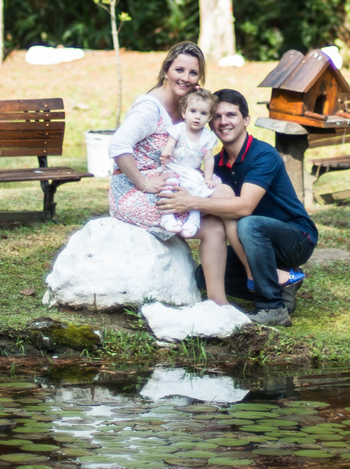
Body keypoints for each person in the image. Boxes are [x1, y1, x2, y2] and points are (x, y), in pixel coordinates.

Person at [157, 88, 318, 327]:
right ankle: (283, 283)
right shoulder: (216, 166)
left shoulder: (263, 155)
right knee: (205, 276)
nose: (223, 122)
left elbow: (244, 207)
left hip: (295, 237)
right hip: (253, 241)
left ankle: (272, 307)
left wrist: (192, 201)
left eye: (231, 115)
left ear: (246, 120)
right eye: (217, 116)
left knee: (248, 223)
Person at [107, 42, 232, 305]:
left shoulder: (186, 106)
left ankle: (218, 303)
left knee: (214, 225)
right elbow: (117, 144)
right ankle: (255, 276)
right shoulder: (150, 108)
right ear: (166, 70)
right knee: (218, 208)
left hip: (170, 180)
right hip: (132, 191)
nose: (185, 78)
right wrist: (142, 182)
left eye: (193, 73)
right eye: (179, 70)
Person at [158, 88, 220, 239]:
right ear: (184, 112)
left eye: (203, 113)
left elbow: (208, 159)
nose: (197, 116)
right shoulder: (178, 130)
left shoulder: (207, 137)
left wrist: (208, 177)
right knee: (170, 184)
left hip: (191, 171)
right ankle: (167, 217)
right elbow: (169, 146)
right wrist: (166, 153)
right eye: (193, 111)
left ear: (210, 117)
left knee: (199, 191)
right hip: (174, 167)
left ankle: (193, 221)